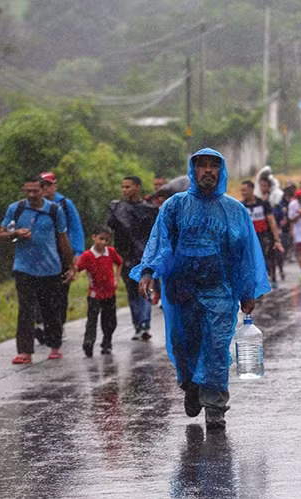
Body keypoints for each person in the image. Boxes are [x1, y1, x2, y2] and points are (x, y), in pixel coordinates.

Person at [133, 148, 270, 430]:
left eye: (213, 166)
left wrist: (247, 291)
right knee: (184, 344)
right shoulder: (174, 206)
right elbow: (160, 242)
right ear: (192, 171)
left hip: (219, 290)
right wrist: (148, 271)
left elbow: (244, 255)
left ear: (221, 171)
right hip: (181, 290)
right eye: (202, 166)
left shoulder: (234, 210)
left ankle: (216, 406)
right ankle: (190, 385)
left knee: (217, 346)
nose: (207, 171)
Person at [0, 176, 76, 363]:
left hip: (50, 268)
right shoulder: (15, 209)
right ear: (23, 190)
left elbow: (63, 239)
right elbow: (1, 233)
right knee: (26, 309)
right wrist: (14, 234)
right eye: (28, 191)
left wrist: (71, 266)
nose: (32, 194)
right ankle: (24, 351)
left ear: (43, 190)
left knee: (51, 309)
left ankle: (55, 345)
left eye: (35, 190)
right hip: (24, 267)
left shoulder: (53, 210)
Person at [107, 176, 158, 341]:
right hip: (124, 256)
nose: (124, 190)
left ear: (137, 187)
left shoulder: (149, 209)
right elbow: (110, 227)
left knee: (144, 288)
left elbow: (155, 234)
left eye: (128, 187)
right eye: (123, 187)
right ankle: (138, 324)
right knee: (131, 292)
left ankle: (144, 324)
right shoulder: (116, 208)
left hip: (144, 256)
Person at [40, 172, 85, 328]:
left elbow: (76, 227)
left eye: (48, 185)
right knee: (41, 289)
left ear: (55, 186)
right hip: (42, 254)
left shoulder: (65, 204)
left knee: (61, 289)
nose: (45, 189)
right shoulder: (35, 204)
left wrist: (78, 252)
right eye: (42, 185)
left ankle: (59, 324)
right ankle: (42, 322)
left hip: (63, 253)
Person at [75, 226, 122, 357]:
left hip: (110, 293)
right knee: (92, 320)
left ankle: (107, 343)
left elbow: (119, 263)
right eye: (101, 239)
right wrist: (71, 272)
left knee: (110, 321)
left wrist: (116, 279)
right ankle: (88, 343)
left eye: (106, 240)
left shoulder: (111, 252)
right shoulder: (87, 256)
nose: (103, 243)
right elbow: (77, 268)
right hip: (95, 294)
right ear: (94, 237)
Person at [240, 180, 284, 287]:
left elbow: (271, 221)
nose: (243, 193)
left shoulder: (263, 204)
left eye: (245, 190)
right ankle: (257, 282)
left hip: (264, 236)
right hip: (249, 238)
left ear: (251, 190)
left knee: (268, 258)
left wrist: (276, 238)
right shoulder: (241, 206)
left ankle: (273, 278)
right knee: (252, 261)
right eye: (241, 191)